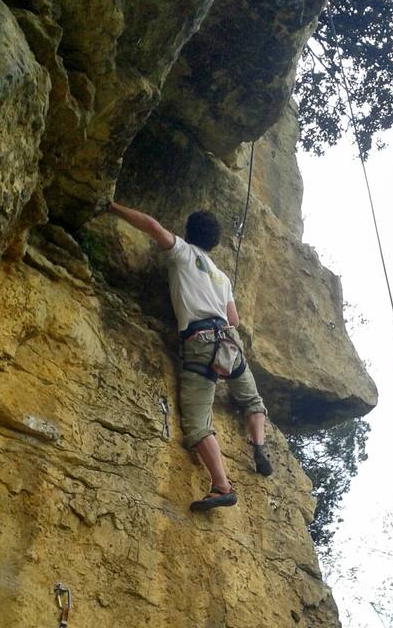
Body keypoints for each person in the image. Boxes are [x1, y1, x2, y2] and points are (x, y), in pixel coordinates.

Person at [107, 202, 273, 511]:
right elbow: (233, 318)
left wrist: (111, 207)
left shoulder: (183, 252)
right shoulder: (222, 277)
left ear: (189, 232)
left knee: (197, 421)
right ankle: (259, 445)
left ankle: (222, 486)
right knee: (251, 399)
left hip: (200, 341)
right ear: (214, 242)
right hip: (229, 341)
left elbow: (153, 227)